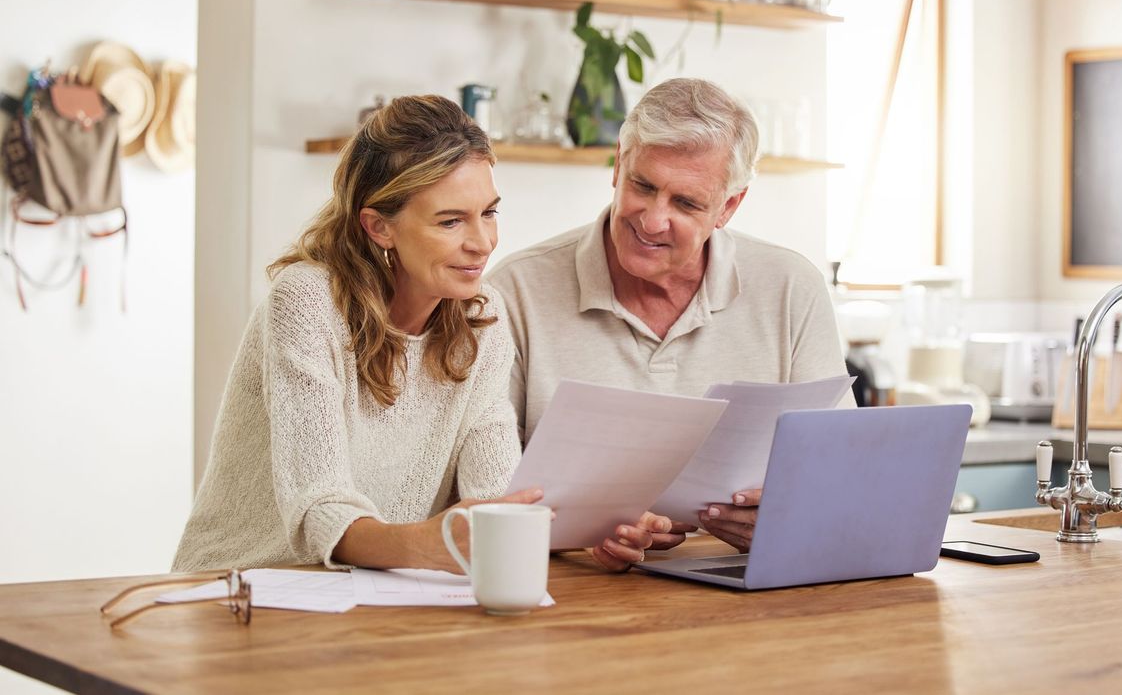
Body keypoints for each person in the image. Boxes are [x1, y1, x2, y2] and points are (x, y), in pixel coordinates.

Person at [173, 95, 657, 574]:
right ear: (379, 226)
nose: (482, 243)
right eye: (450, 221)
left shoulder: (481, 318)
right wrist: (425, 546)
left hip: (375, 599)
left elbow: (497, 493)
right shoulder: (306, 303)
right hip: (238, 589)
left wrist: (581, 534)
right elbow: (319, 507)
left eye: (488, 213)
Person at [488, 79, 852, 554]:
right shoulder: (515, 289)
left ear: (728, 207)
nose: (653, 220)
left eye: (686, 203)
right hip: (569, 587)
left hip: (739, 582)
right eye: (643, 185)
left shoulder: (791, 287)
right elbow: (486, 487)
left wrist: (792, 512)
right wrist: (579, 530)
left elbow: (840, 467)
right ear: (618, 165)